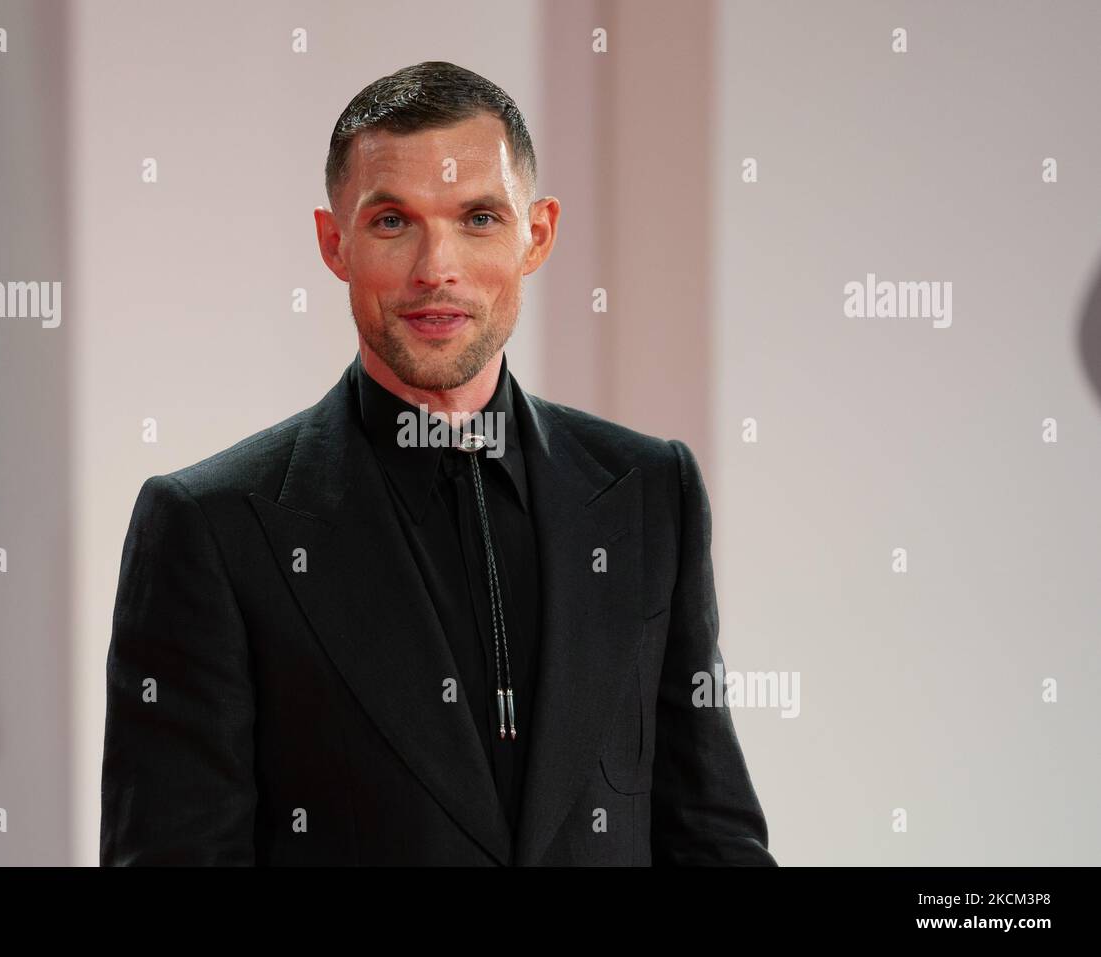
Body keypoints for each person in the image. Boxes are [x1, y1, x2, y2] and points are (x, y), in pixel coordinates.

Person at [100, 60, 775, 866]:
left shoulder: (650, 493)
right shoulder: (210, 528)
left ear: (538, 234)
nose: (436, 270)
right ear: (333, 243)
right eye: (393, 222)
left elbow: (712, 836)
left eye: (479, 217)